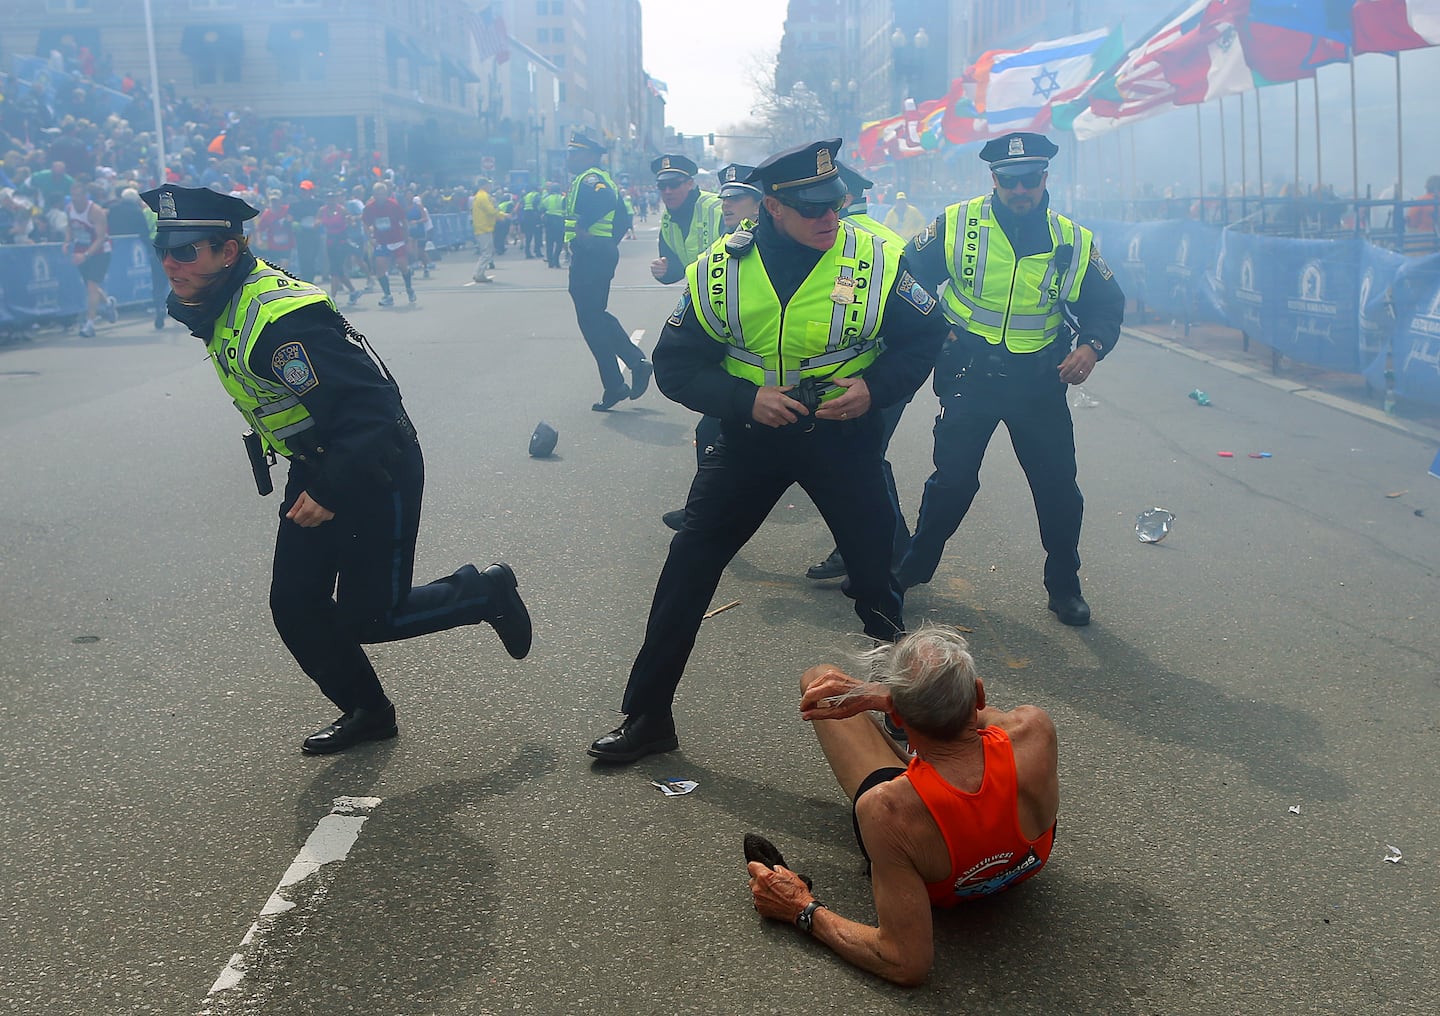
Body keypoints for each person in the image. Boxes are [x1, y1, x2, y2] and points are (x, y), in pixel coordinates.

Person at [587, 139, 949, 764]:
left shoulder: (875, 257)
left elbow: (926, 334)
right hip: (751, 440)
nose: (830, 216)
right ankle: (647, 716)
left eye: (835, 202)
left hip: (843, 439)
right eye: (812, 207)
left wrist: (877, 389)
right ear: (772, 208)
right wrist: (742, 399)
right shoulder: (721, 268)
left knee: (875, 586)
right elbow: (674, 365)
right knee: (687, 571)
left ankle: (909, 717)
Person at [140, 183, 533, 754]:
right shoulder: (220, 294)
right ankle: (368, 713)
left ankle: (484, 592)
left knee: (371, 617)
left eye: (188, 251)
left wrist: (329, 487)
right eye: (164, 251)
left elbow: (375, 411)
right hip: (319, 461)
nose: (171, 263)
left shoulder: (280, 319)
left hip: (374, 464)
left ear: (228, 252)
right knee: (296, 606)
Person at [895, 132, 1125, 626]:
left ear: (1044, 178)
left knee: (1058, 487)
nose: (1020, 189)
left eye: (1029, 180)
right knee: (953, 482)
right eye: (1009, 180)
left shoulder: (1072, 239)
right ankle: (914, 567)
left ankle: (1064, 584)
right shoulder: (957, 224)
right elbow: (906, 274)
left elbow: (1106, 305)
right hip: (969, 375)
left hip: (1037, 383)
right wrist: (934, 326)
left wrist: (1091, 346)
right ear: (993, 179)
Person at [746, 623, 1059, 986]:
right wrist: (892, 697)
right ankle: (923, 758)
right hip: (1024, 864)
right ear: (978, 693)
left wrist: (801, 908)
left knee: (817, 678)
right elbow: (981, 719)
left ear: (895, 716)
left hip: (934, 866)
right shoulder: (1035, 729)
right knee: (943, 763)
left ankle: (918, 756)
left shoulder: (887, 808)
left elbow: (905, 962)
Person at [804, 161, 914, 582]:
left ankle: (885, 555)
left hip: (873, 373)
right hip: (877, 371)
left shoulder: (861, 243)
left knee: (863, 460)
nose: (818, 215)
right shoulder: (883, 237)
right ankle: (871, 550)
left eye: (823, 202)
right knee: (863, 460)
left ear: (844, 199)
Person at [660, 162, 763, 532]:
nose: (728, 205)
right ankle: (704, 515)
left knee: (837, 477)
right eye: (725, 199)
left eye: (738, 198)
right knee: (713, 435)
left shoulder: (766, 243)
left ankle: (885, 550)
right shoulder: (727, 245)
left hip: (779, 370)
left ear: (759, 203)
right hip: (739, 366)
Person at [563, 133, 652, 411]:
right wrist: (603, 243)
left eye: (575, 153)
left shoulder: (592, 179)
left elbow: (607, 203)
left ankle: (618, 381)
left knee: (591, 319)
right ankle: (630, 369)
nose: (570, 157)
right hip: (594, 253)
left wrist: (586, 235)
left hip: (591, 255)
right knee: (595, 317)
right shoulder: (592, 178)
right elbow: (624, 217)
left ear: (590, 155)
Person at [649, 154, 724, 285]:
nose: (667, 191)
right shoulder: (667, 219)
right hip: (700, 290)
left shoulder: (718, 209)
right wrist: (663, 271)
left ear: (690, 184)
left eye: (673, 185)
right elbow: (676, 268)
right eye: (662, 186)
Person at [67, 181, 117, 338]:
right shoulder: (69, 208)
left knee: (91, 285)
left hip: (100, 252)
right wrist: (67, 241)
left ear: (85, 195)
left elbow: (101, 238)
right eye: (73, 195)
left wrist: (86, 255)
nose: (75, 199)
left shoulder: (95, 211)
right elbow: (69, 226)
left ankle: (90, 324)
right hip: (81, 249)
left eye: (78, 195)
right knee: (90, 286)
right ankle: (108, 303)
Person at [363, 181, 417, 306]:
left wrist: (406, 238)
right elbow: (365, 223)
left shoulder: (393, 205)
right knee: (380, 268)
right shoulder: (370, 207)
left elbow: (404, 221)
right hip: (381, 241)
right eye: (377, 194)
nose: (380, 196)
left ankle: (409, 289)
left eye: (383, 194)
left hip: (396, 240)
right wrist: (370, 238)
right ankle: (387, 295)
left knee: (403, 266)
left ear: (386, 194)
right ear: (374, 195)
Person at [470, 179, 499, 284]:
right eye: (488, 184)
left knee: (486, 252)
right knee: (486, 253)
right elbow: (490, 210)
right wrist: (502, 215)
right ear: (484, 185)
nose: (490, 186)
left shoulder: (480, 196)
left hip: (482, 227)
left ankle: (479, 273)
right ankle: (479, 274)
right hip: (484, 228)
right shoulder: (483, 197)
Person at [541, 180, 566, 268]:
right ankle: (556, 259)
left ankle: (550, 262)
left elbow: (541, 208)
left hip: (549, 221)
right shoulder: (563, 198)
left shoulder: (546, 199)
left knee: (549, 242)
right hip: (559, 221)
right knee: (560, 242)